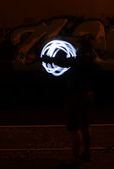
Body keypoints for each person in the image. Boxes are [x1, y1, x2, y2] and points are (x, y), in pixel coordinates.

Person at [42, 38, 97, 167]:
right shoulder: (89, 61)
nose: (75, 49)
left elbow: (62, 62)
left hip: (75, 97)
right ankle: (86, 154)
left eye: (78, 47)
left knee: (74, 128)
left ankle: (74, 159)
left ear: (82, 49)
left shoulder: (79, 61)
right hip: (85, 96)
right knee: (84, 125)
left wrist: (45, 58)